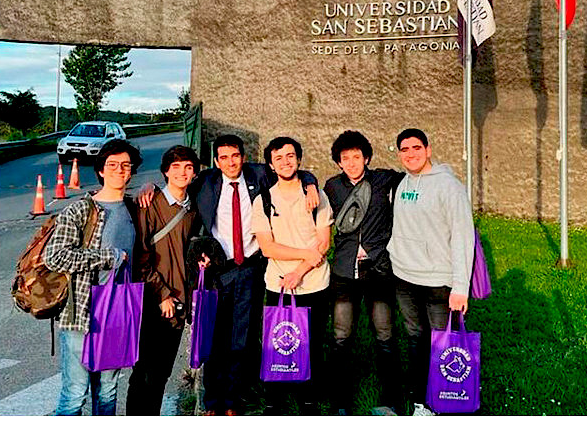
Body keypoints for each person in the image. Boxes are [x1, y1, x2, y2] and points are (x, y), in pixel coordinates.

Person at [137, 134, 319, 415]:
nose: (230, 162)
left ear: (243, 157)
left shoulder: (259, 175)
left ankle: (233, 402)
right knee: (214, 335)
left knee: (241, 338)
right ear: (215, 161)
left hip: (249, 268)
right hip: (216, 272)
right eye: (224, 157)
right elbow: (175, 185)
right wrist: (149, 185)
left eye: (235, 156)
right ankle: (212, 401)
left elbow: (293, 169)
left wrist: (310, 184)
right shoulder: (205, 182)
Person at [44, 138, 142, 416]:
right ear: (101, 170)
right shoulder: (80, 210)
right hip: (81, 312)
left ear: (132, 170)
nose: (119, 170)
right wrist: (107, 257)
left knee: (108, 391)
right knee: (75, 393)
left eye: (126, 165)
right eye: (112, 165)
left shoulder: (134, 209)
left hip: (119, 312)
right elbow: (56, 257)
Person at [386, 128, 474, 415]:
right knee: (415, 340)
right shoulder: (402, 184)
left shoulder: (449, 187)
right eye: (404, 150)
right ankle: (420, 402)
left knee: (443, 345)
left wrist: (460, 287)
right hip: (404, 277)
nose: (410, 154)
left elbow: (463, 236)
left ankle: (445, 404)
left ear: (428, 150)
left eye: (416, 148)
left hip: (438, 281)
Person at [323, 130, 404, 415]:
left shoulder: (383, 179)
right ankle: (339, 403)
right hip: (345, 271)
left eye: (357, 157)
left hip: (379, 268)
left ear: (366, 157)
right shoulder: (331, 187)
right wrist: (309, 184)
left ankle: (393, 400)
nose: (352, 163)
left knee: (384, 334)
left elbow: (416, 175)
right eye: (345, 158)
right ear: (339, 162)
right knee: (341, 336)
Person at [251, 136, 333, 415]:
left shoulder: (316, 195)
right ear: (271, 166)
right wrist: (303, 255)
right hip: (278, 284)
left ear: (298, 159)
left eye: (290, 156)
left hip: (315, 282)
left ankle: (308, 401)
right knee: (278, 343)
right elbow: (267, 246)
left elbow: (323, 241)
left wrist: (299, 270)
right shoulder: (263, 200)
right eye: (278, 158)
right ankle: (274, 401)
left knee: (311, 343)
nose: (285, 162)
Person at [126, 145, 200, 415]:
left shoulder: (192, 207)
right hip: (153, 300)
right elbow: (141, 255)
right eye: (176, 167)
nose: (182, 172)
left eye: (188, 167)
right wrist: (162, 294)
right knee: (144, 371)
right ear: (165, 172)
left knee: (161, 374)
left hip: (179, 303)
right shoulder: (150, 203)